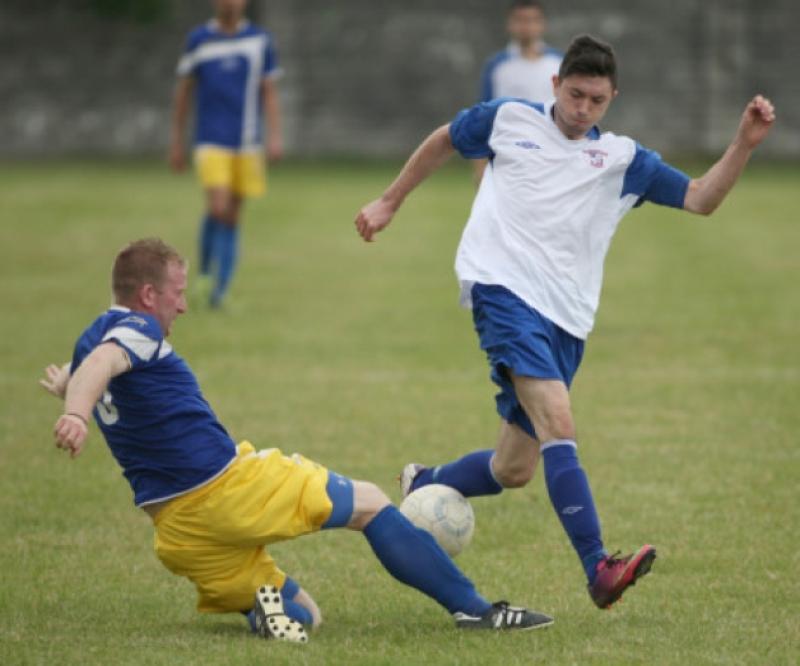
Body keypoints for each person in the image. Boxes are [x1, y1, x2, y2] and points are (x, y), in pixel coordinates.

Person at [354, 35, 775, 609]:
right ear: (555, 86)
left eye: (596, 101)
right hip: (501, 291)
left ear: (612, 99)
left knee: (515, 467)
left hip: (567, 320)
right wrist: (389, 201)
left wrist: (743, 145)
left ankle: (427, 483)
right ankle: (598, 568)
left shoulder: (623, 160)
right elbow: (445, 140)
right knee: (559, 423)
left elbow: (701, 199)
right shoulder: (508, 120)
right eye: (575, 95)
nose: (583, 110)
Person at [40, 238, 554, 644]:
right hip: (227, 490)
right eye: (178, 291)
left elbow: (92, 368)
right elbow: (105, 364)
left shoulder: (91, 337)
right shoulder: (133, 330)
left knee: (304, 614)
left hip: (180, 535)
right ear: (147, 295)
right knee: (371, 504)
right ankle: (477, 610)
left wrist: (70, 387)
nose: (184, 305)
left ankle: (266, 610)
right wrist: (77, 414)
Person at [168, 0, 283, 308]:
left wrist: (274, 136)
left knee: (232, 216)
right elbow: (184, 93)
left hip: (247, 142)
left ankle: (221, 290)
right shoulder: (199, 40)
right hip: (210, 140)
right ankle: (205, 273)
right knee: (218, 207)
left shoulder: (260, 40)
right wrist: (177, 141)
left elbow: (269, 91)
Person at [474, 0, 562, 183]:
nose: (527, 26)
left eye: (532, 20)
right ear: (510, 24)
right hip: (508, 157)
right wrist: (479, 166)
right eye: (521, 20)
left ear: (542, 24)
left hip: (552, 156)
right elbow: (483, 117)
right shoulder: (497, 66)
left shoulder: (559, 63)